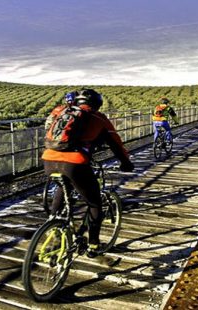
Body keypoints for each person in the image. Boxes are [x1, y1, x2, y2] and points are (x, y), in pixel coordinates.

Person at [42, 89, 134, 258]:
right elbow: (116, 144)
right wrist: (126, 163)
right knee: (94, 203)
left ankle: (53, 225)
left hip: (48, 159)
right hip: (75, 163)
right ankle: (93, 245)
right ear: (97, 104)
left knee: (64, 186)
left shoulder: (63, 112)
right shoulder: (99, 118)